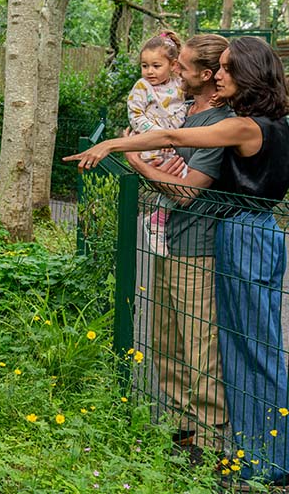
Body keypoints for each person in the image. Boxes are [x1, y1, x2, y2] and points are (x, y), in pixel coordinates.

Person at [65, 36, 289, 484]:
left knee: (250, 349)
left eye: (227, 68)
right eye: (219, 66)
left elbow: (171, 139)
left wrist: (115, 146)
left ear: (248, 74)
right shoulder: (272, 121)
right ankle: (259, 453)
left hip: (243, 231)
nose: (219, 75)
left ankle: (268, 459)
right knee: (240, 348)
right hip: (250, 230)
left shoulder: (246, 126)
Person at [125, 34, 231, 456]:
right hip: (169, 239)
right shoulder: (184, 111)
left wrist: (136, 161)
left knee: (200, 344)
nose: (174, 72)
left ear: (204, 75)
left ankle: (210, 440)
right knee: (166, 339)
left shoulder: (218, 120)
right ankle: (179, 423)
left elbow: (186, 192)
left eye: (182, 67)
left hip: (198, 245)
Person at [127, 31, 186, 256]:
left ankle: (158, 219)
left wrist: (171, 137)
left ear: (172, 65)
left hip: (171, 145)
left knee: (185, 182)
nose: (149, 71)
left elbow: (185, 107)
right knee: (176, 183)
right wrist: (160, 134)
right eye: (145, 66)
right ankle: (157, 222)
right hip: (150, 146)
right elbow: (135, 115)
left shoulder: (180, 84)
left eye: (156, 65)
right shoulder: (142, 87)